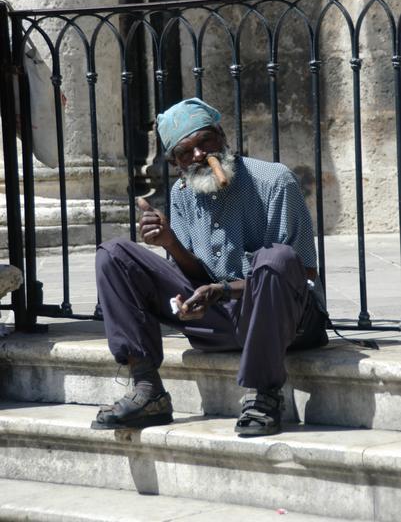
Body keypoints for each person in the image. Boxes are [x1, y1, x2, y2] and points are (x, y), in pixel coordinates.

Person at [92, 97, 328, 436]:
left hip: (288, 323)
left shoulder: (275, 181)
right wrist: (171, 243)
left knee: (274, 258)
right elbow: (196, 277)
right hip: (220, 322)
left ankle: (264, 394)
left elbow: (300, 273)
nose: (200, 156)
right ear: (175, 163)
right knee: (113, 253)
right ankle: (147, 390)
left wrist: (223, 290)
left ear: (222, 136)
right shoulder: (182, 193)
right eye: (186, 152)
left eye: (206, 142)